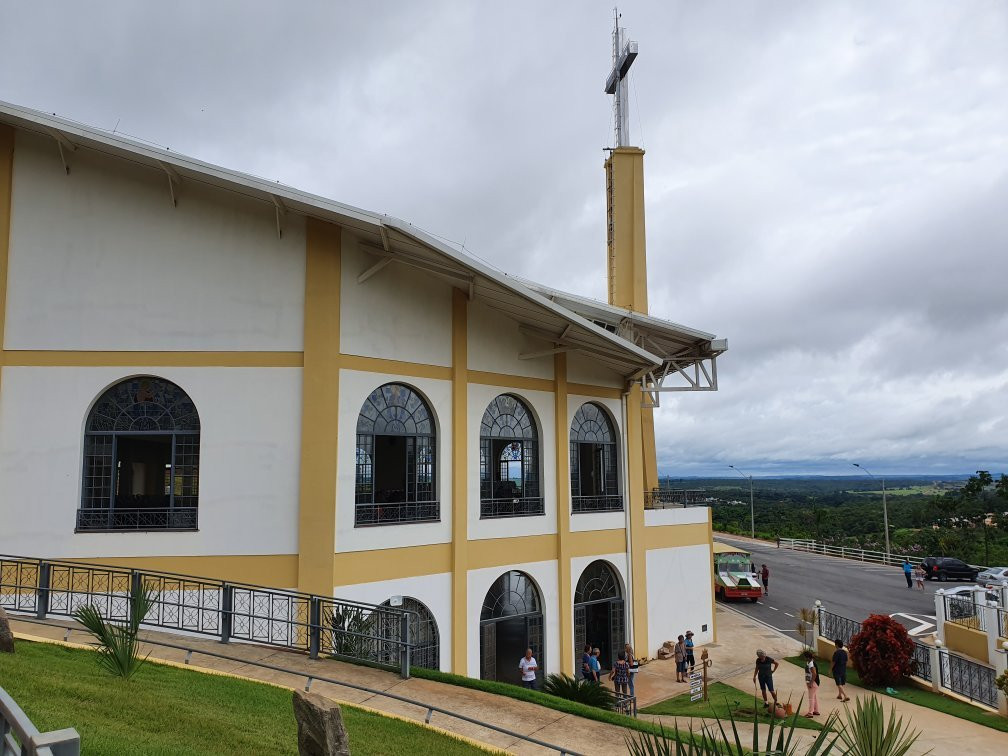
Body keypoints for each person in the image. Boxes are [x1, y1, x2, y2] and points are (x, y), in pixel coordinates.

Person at [803, 650, 820, 717]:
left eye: (804, 657)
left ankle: (810, 713)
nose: (804, 658)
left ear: (807, 657)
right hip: (811, 682)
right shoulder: (809, 662)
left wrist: (810, 683)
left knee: (811, 698)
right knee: (814, 697)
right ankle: (816, 710)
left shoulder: (811, 664)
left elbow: (814, 674)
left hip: (813, 683)